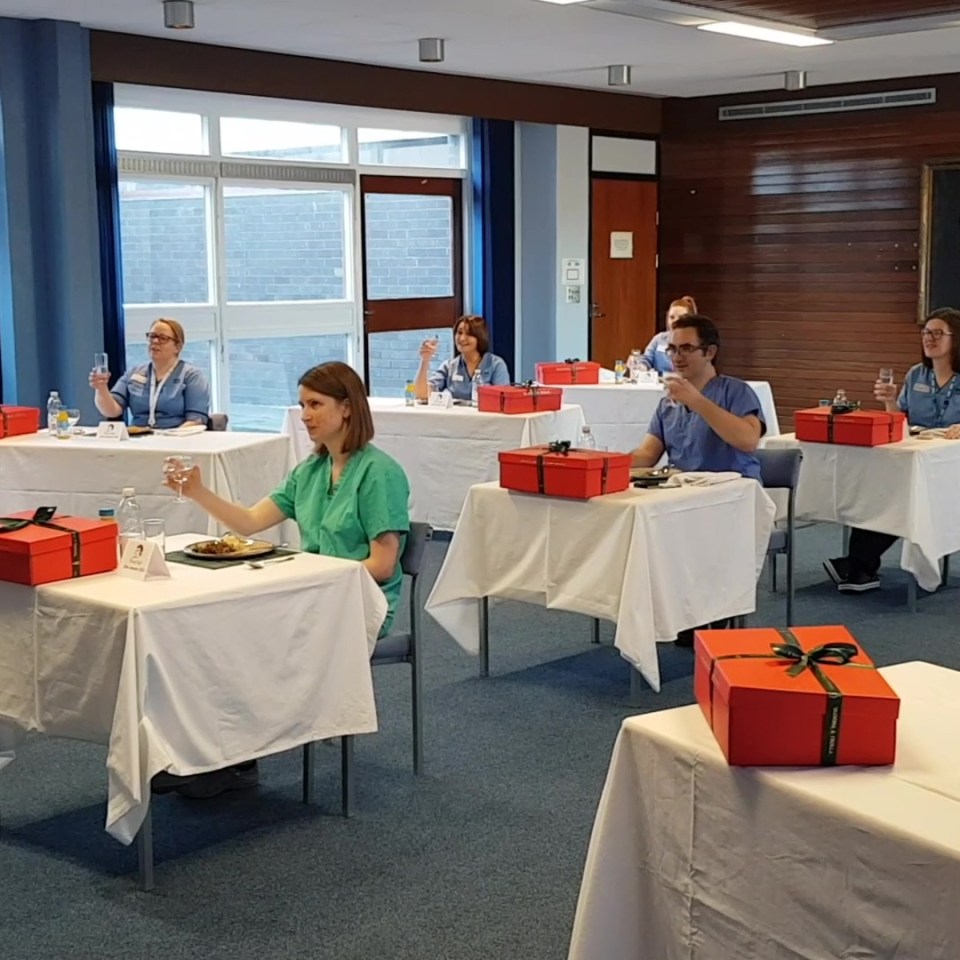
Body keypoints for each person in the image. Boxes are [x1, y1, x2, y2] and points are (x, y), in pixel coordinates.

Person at [155, 361, 410, 798]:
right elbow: (251, 522)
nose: (305, 415)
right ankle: (219, 752)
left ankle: (231, 755)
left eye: (315, 404)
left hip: (357, 601)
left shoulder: (379, 473)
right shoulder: (308, 472)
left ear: (347, 409)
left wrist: (317, 578)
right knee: (222, 631)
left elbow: (383, 564)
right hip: (313, 593)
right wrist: (197, 492)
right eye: (302, 405)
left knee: (251, 638)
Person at [824, 306, 960, 593]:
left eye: (938, 333)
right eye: (926, 333)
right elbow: (902, 418)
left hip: (950, 465)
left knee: (903, 497)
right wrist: (889, 402)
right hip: (917, 456)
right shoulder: (916, 375)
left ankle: (860, 565)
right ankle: (861, 564)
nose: (929, 339)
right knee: (882, 491)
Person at [630, 314, 765, 481]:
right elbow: (648, 454)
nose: (677, 357)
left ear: (710, 352)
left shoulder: (736, 391)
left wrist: (696, 401)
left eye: (686, 348)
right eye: (672, 349)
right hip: (684, 490)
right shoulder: (667, 404)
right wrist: (611, 462)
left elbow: (748, 441)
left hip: (732, 492)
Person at [90, 318, 210, 429]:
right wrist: (101, 388)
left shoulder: (191, 376)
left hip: (176, 442)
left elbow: (196, 421)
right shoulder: (135, 373)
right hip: (138, 441)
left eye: (163, 338)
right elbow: (111, 410)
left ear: (177, 347)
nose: (155, 341)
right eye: (152, 336)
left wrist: (171, 438)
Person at [415, 315, 510, 402]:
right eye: (459, 333)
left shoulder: (496, 364)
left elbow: (503, 400)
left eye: (469, 334)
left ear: (480, 337)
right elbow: (422, 395)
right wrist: (425, 360)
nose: (462, 338)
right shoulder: (449, 366)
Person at [639, 295, 698, 375]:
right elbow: (646, 359)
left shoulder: (695, 341)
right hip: (659, 384)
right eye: (672, 317)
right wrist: (640, 366)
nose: (675, 322)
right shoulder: (659, 338)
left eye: (680, 318)